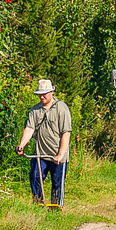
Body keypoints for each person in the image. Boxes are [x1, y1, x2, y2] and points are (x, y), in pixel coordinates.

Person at [17, 78, 71, 208]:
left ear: (51, 92)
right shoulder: (34, 110)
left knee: (57, 183)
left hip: (57, 155)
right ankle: (38, 203)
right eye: (40, 94)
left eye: (44, 94)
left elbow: (66, 133)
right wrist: (22, 145)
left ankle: (56, 207)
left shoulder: (61, 108)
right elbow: (29, 129)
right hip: (40, 154)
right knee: (34, 176)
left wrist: (60, 155)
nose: (42, 96)